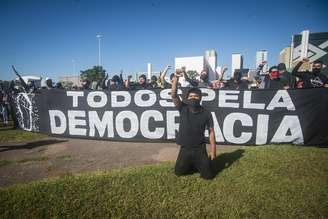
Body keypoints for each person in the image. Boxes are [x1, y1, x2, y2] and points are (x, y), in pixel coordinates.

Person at [171, 69, 216, 180]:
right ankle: (192, 164)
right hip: (185, 148)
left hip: (200, 149)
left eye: (196, 96)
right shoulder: (182, 108)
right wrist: (176, 78)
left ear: (200, 98)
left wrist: (213, 152)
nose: (193, 98)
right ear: (187, 98)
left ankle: (199, 164)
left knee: (208, 176)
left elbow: (211, 132)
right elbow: (173, 95)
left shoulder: (206, 112)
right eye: (191, 96)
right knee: (178, 173)